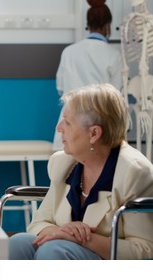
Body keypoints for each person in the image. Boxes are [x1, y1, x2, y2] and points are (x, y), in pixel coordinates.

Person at [9, 83, 153, 260]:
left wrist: (83, 239)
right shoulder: (62, 163)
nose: (59, 127)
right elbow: (39, 223)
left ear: (94, 134)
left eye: (67, 122)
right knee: (17, 243)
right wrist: (62, 232)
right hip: (63, 251)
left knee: (53, 250)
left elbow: (144, 250)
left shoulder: (134, 172)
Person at [53, 0, 122, 151]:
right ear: (108, 26)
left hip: (69, 123)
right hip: (97, 126)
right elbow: (115, 96)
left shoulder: (69, 52)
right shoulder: (114, 55)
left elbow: (60, 89)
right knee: (95, 171)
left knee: (65, 172)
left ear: (88, 25)